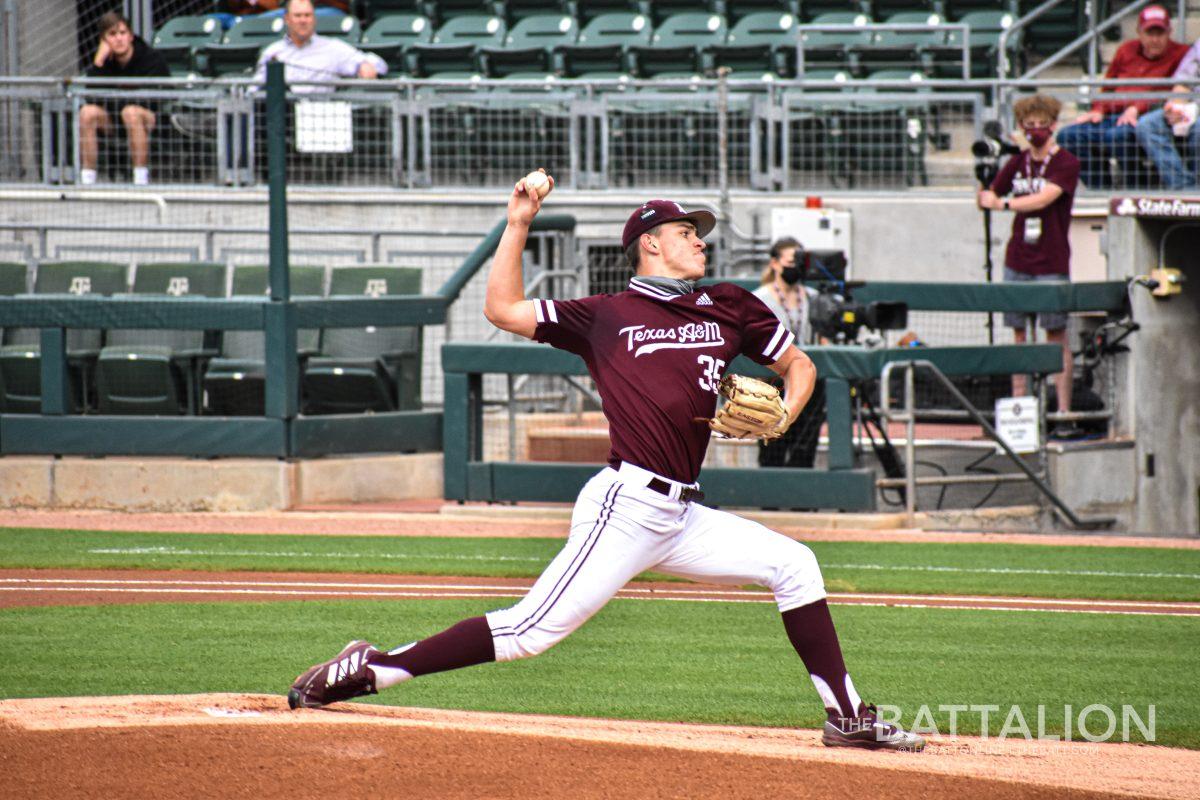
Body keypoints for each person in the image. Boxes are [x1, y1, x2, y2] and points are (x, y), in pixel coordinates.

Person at [285, 178, 926, 753]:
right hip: (627, 505)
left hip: (682, 512)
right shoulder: (605, 317)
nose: (699, 241)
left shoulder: (729, 305)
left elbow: (799, 366)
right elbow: (502, 309)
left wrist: (786, 412)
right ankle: (372, 668)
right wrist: (518, 222)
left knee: (796, 564)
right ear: (650, 243)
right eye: (685, 232)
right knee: (529, 632)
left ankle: (847, 717)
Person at [977, 94, 1082, 440]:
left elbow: (1044, 197)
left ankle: (1063, 411)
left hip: (1051, 260)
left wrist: (1004, 202)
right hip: (1018, 259)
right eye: (1029, 125)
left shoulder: (1065, 162)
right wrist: (986, 178)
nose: (1036, 130)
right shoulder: (1018, 162)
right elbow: (988, 194)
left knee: (1056, 336)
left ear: (1052, 125)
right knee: (1019, 335)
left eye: (1042, 124)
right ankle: (1018, 411)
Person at [1054, 5, 1188, 189]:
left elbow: (1172, 93)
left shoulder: (1181, 54)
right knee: (1069, 135)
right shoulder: (1126, 50)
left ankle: (1138, 188)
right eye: (1150, 33)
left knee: (1117, 136)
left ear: (1169, 32)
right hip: (1113, 114)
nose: (1155, 39)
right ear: (1139, 32)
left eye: (1160, 33)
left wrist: (1137, 108)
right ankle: (1100, 189)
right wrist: (1097, 110)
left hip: (1146, 119)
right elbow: (1108, 86)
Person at [753, 237, 826, 470]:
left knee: (805, 445)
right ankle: (770, 498)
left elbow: (824, 339)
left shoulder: (814, 297)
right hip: (773, 382)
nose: (795, 267)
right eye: (790, 261)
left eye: (800, 261)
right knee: (772, 444)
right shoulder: (760, 298)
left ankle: (803, 501)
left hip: (808, 380)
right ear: (775, 263)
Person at [78, 11, 170, 186]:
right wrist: (98, 62)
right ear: (103, 40)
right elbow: (91, 96)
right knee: (87, 112)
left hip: (149, 119)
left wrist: (115, 99)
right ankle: (87, 179)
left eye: (122, 33)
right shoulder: (104, 63)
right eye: (112, 34)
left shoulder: (151, 58)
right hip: (114, 119)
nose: (118, 39)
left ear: (131, 36)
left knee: (131, 112)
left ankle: (140, 179)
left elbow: (154, 98)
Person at [252, 0, 385, 88]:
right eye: (298, 16)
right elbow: (254, 89)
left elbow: (379, 64)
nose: (303, 20)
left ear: (314, 19)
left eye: (307, 15)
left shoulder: (332, 48)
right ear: (287, 19)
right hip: (283, 120)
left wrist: (365, 65)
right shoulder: (273, 52)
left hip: (321, 118)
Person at [1135, 37, 1200, 190]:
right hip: (1192, 106)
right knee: (1147, 125)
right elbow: (1183, 82)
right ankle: (1183, 188)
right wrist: (1176, 107)